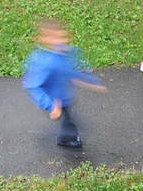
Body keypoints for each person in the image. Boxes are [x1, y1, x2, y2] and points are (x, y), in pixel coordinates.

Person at [22, 18, 107, 148]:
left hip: (65, 95)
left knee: (68, 117)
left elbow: (71, 72)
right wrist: (50, 106)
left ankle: (65, 136)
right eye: (54, 38)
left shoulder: (66, 52)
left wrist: (91, 82)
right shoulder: (46, 62)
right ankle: (67, 139)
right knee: (68, 119)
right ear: (44, 40)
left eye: (61, 35)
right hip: (55, 99)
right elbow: (33, 85)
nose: (60, 40)